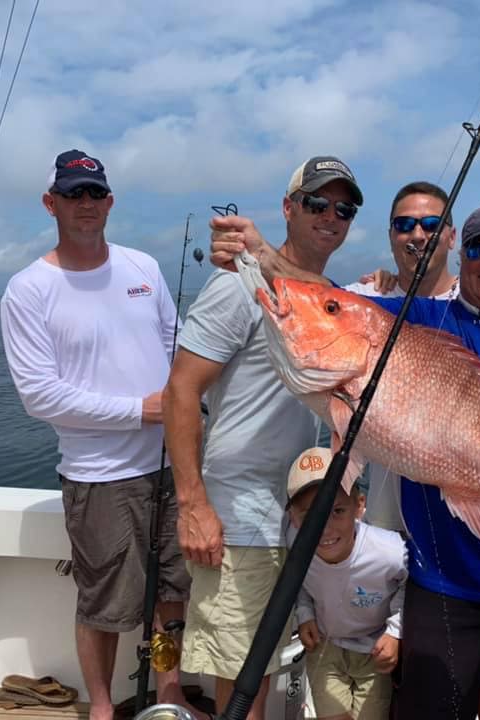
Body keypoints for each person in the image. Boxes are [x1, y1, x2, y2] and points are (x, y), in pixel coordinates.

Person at [208, 201, 480, 720]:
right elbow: (325, 300)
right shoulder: (415, 319)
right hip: (442, 588)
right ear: (460, 258)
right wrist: (261, 255)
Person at [162, 156, 364, 719]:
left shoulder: (331, 298)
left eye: (343, 208)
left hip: (298, 516)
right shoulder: (237, 285)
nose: (330, 215)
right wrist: (193, 506)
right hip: (240, 519)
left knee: (272, 667)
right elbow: (181, 391)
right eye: (316, 202)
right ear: (288, 207)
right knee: (244, 680)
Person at [0, 150, 193, 720]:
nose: (85, 204)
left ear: (109, 201)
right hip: (100, 476)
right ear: (50, 203)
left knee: (172, 589)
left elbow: (177, 349)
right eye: (73, 194)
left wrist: (184, 411)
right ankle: (104, 708)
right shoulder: (29, 289)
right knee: (104, 602)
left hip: (170, 461)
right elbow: (40, 395)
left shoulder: (144, 268)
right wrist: (143, 410)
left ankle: (169, 693)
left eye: (94, 194)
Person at [285, 447, 407, 720]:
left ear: (359, 505)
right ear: (293, 518)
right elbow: (300, 580)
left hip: (374, 653)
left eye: (337, 511)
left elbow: (414, 582)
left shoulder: (389, 551)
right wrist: (304, 614)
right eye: (309, 515)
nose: (324, 527)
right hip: (325, 647)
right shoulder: (295, 543)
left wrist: (395, 632)